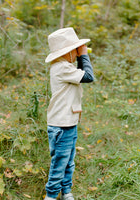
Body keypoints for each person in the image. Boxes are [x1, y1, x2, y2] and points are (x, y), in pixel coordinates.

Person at [44, 27, 94, 200]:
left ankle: (66, 192)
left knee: (68, 162)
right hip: (61, 125)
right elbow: (88, 76)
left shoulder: (65, 66)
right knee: (59, 163)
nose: (77, 52)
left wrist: (79, 55)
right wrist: (84, 55)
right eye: (75, 49)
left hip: (69, 123)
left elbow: (82, 75)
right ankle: (51, 195)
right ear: (67, 52)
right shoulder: (61, 68)